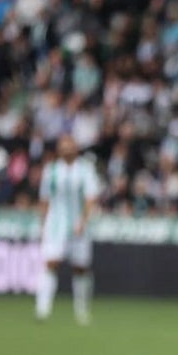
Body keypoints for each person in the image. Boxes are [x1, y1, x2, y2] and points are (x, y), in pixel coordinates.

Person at [35, 134, 101, 325]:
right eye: (62, 146)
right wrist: (43, 224)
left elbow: (91, 198)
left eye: (69, 145)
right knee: (51, 263)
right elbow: (45, 199)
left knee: (80, 268)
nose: (66, 149)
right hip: (55, 225)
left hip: (78, 225)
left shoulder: (85, 170)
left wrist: (83, 221)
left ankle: (82, 310)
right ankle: (42, 309)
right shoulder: (51, 170)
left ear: (76, 148)